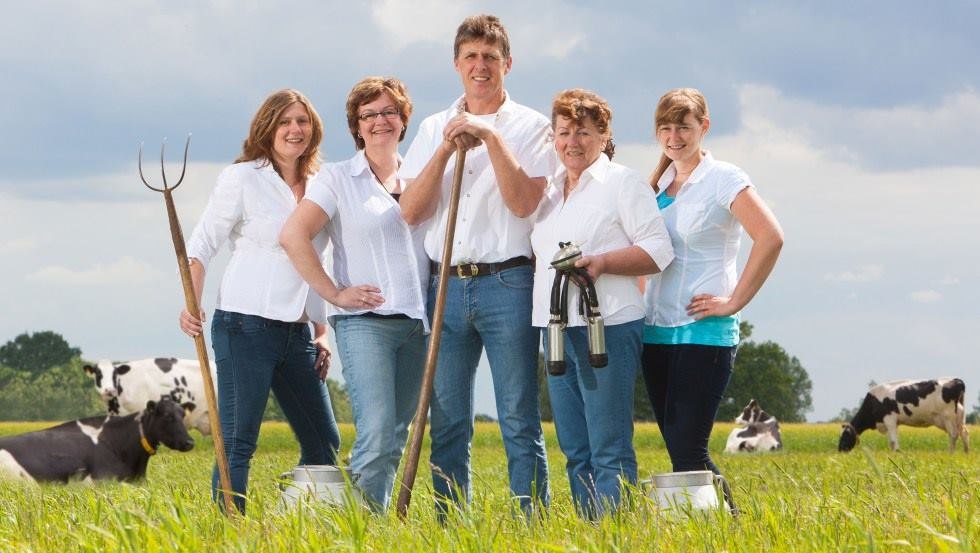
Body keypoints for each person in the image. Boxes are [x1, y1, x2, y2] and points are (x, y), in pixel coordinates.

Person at [398, 14, 553, 516]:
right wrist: (446, 146)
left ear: (508, 63)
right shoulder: (429, 128)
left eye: (490, 57)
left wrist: (490, 137)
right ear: (456, 64)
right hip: (443, 282)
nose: (480, 66)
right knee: (448, 419)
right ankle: (451, 523)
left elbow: (526, 203)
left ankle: (530, 522)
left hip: (507, 280)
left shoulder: (533, 127)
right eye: (471, 57)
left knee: (517, 415)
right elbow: (412, 211)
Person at [179, 89, 341, 514]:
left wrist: (322, 334)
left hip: (297, 332)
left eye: (302, 121)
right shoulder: (243, 178)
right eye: (285, 121)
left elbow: (320, 261)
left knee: (324, 441)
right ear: (267, 128)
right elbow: (200, 247)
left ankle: (300, 519)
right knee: (238, 440)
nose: (295, 129)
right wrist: (192, 304)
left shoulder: (323, 183)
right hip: (244, 326)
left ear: (314, 129)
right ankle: (230, 528)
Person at [279, 77, 428, 511]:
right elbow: (293, 235)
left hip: (420, 323)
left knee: (397, 435)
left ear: (403, 120)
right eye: (369, 115)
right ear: (356, 126)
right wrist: (334, 293)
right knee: (378, 432)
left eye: (388, 112)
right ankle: (360, 528)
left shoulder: (422, 175)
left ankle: (372, 521)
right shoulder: (338, 178)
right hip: (367, 325)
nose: (380, 121)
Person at [530, 89, 673, 518]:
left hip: (607, 325)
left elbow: (658, 250)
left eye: (584, 132)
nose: (573, 141)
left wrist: (604, 262)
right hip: (555, 329)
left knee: (608, 446)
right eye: (564, 132)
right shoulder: (549, 191)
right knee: (575, 447)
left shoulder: (623, 183)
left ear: (603, 135)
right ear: (553, 137)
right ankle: (589, 531)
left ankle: (617, 533)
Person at [641, 88, 784, 512]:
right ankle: (718, 526)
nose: (674, 136)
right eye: (665, 128)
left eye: (683, 126)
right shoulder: (658, 186)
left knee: (688, 448)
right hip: (656, 332)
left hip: (704, 332)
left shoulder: (724, 177)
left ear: (703, 127)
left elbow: (771, 237)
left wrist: (734, 301)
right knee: (681, 452)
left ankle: (727, 526)